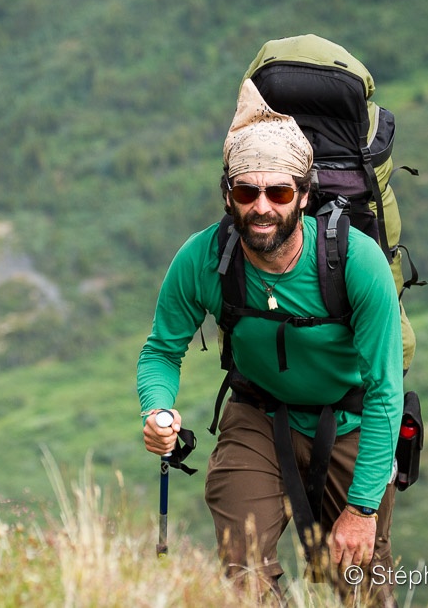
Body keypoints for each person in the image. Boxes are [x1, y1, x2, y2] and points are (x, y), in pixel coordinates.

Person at [136, 79, 403, 606]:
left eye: (279, 192)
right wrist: (158, 408)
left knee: (360, 587)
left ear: (304, 194)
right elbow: (162, 351)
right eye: (246, 192)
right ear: (228, 195)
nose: (262, 207)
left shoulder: (355, 262)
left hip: (350, 420)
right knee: (243, 567)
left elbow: (384, 391)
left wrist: (363, 509)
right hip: (258, 415)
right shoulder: (203, 260)